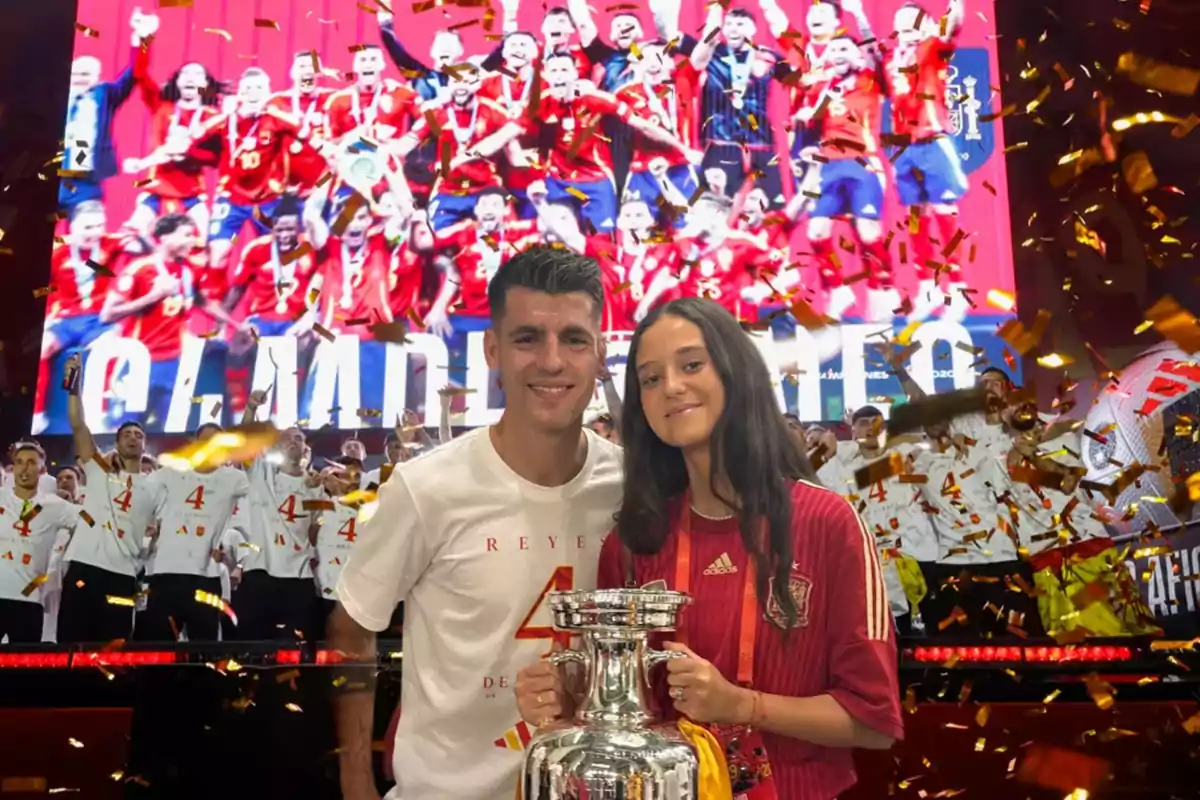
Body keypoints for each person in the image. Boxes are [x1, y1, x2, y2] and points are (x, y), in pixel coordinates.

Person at [515, 297, 902, 799]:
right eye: (650, 379)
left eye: (691, 364)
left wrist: (741, 705)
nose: (671, 387)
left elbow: (873, 721)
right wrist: (561, 698)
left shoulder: (828, 523)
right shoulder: (633, 544)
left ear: (734, 373)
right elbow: (613, 710)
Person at [328, 246, 623, 800]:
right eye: (528, 338)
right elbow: (351, 625)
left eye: (575, 339)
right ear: (493, 349)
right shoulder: (427, 488)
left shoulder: (630, 489)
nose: (552, 361)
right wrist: (354, 782)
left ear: (601, 352)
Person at [58, 354, 159, 643]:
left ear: (144, 445)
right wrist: (74, 388)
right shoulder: (98, 470)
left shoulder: (156, 485)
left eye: (138, 435)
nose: (132, 438)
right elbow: (79, 426)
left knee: (114, 652)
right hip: (84, 566)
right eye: (126, 434)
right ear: (116, 443)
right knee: (71, 647)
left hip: (123, 574)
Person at [137, 423, 250, 641]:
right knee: (159, 647)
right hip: (165, 574)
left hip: (206, 576)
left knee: (204, 649)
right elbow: (139, 495)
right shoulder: (171, 472)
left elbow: (262, 486)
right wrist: (149, 523)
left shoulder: (233, 478)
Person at [0, 442, 79, 643]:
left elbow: (91, 521)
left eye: (31, 463)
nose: (24, 469)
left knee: (25, 671)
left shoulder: (55, 505)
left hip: (29, 600)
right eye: (19, 463)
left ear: (42, 470)